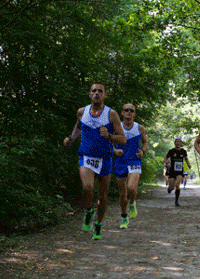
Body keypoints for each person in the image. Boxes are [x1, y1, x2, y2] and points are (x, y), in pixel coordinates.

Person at [63, 83, 126, 240]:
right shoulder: (81, 112)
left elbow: (123, 139)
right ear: (90, 94)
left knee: (103, 196)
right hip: (86, 156)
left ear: (105, 95)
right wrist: (71, 139)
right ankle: (89, 210)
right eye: (94, 91)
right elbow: (78, 126)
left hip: (104, 158)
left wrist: (110, 136)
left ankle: (98, 224)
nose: (97, 93)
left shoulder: (111, 114)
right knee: (87, 186)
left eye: (100, 91)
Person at [113, 103, 147, 229]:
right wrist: (114, 151)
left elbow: (145, 142)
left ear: (134, 114)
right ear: (122, 113)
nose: (129, 112)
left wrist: (142, 151)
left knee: (131, 188)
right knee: (122, 194)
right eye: (126, 110)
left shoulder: (139, 128)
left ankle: (132, 203)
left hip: (134, 161)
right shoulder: (117, 127)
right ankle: (124, 217)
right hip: (120, 162)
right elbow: (108, 141)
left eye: (131, 110)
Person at [165, 138, 192, 206]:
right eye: (176, 142)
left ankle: (176, 201)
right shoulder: (171, 151)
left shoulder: (183, 151)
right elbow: (166, 158)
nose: (178, 143)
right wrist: (168, 163)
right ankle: (170, 188)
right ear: (174, 143)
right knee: (172, 187)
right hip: (172, 171)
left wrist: (188, 164)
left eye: (179, 142)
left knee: (177, 185)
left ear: (181, 144)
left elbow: (186, 158)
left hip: (179, 171)